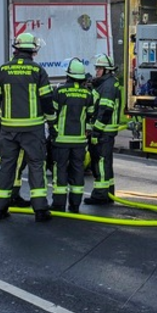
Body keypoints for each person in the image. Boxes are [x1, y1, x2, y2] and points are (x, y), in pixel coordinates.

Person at [0, 32, 55, 222]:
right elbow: (47, 100)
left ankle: (0, 208)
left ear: (16, 49)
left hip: (8, 128)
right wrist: (52, 123)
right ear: (33, 51)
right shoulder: (38, 71)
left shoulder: (3, 70)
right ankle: (40, 209)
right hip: (33, 129)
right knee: (36, 165)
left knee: (7, 166)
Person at [50, 59, 95, 214]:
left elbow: (52, 114)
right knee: (77, 171)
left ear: (68, 75)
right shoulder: (87, 94)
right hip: (79, 141)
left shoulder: (60, 91)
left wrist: (53, 131)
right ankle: (75, 204)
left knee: (60, 170)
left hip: (61, 140)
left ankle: (59, 203)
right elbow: (90, 116)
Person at [85, 53, 124, 205]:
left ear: (107, 70)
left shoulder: (107, 86)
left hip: (103, 131)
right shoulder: (107, 83)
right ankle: (108, 193)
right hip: (105, 131)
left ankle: (101, 195)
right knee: (105, 162)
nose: (97, 71)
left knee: (100, 162)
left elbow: (105, 110)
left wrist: (96, 131)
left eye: (99, 68)